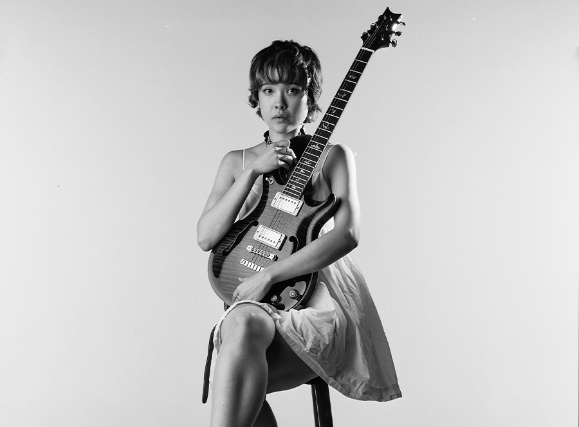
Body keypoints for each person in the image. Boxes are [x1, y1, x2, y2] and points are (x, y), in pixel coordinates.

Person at [197, 40, 401, 427]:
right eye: (268, 90)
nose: (280, 102)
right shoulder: (237, 161)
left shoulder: (333, 156)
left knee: (236, 365)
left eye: (292, 90)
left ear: (310, 99)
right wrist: (253, 171)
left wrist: (270, 275)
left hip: (315, 304)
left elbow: (348, 234)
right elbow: (206, 237)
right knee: (241, 337)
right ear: (256, 98)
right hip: (252, 311)